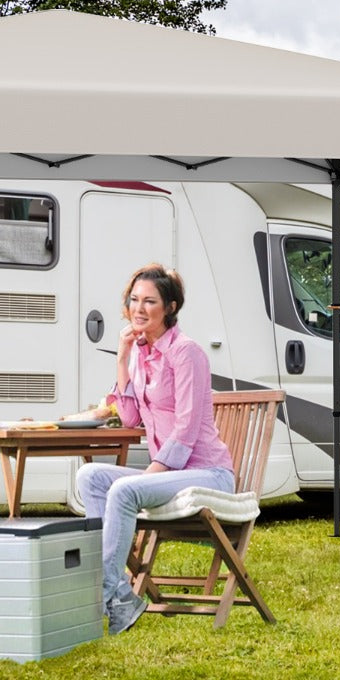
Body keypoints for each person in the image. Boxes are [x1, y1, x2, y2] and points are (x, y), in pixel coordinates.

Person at [77, 264, 235, 635]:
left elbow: (187, 428)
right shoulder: (139, 354)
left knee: (125, 488)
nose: (139, 308)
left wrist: (156, 471)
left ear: (170, 307)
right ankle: (120, 595)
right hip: (172, 474)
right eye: (134, 300)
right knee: (91, 476)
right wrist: (121, 358)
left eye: (150, 301)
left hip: (208, 474)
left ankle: (99, 594)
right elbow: (130, 417)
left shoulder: (187, 353)